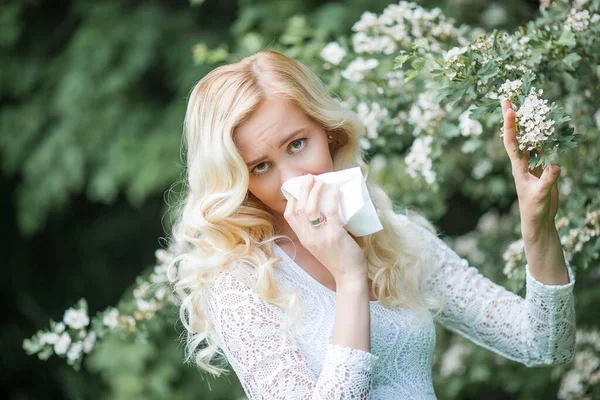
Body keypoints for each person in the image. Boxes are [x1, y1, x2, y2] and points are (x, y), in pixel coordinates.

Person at [167, 49, 576, 399]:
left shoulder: (396, 239)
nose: (294, 180)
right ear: (238, 180)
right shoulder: (242, 285)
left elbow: (545, 344)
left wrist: (537, 232)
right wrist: (349, 278)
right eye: (261, 166)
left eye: (297, 144)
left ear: (328, 133)